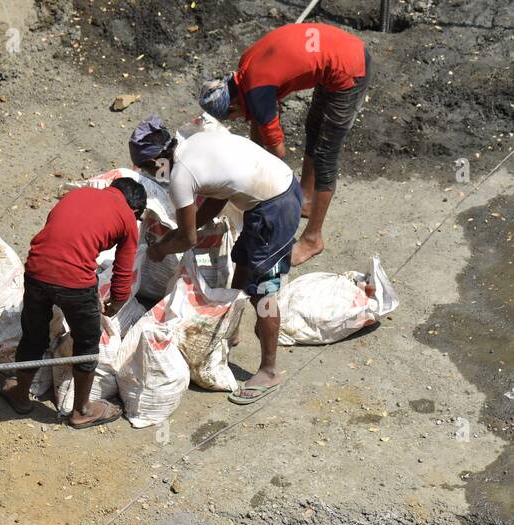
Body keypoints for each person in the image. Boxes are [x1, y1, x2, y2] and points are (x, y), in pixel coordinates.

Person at [129, 116, 300, 405]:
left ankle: (269, 370)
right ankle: (229, 329)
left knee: (263, 291)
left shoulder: (181, 176)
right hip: (275, 191)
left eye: (148, 168)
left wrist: (161, 249)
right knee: (242, 263)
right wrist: (189, 227)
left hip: (275, 206)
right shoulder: (192, 144)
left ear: (158, 160)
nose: (151, 174)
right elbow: (219, 196)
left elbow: (187, 241)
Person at [198, 22, 370, 265]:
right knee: (313, 128)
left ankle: (313, 239)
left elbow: (277, 152)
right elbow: (258, 127)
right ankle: (305, 200)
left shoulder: (258, 92)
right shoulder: (246, 70)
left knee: (325, 154)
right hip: (335, 57)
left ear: (234, 106)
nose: (239, 119)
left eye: (233, 117)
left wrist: (261, 187)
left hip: (350, 70)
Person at [0, 178, 145, 428]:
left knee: (33, 336)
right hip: (75, 282)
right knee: (87, 343)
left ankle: (21, 394)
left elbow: (57, 238)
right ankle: (82, 410)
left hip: (36, 269)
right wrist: (115, 304)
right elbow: (123, 275)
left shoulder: (78, 195)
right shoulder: (128, 218)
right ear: (135, 210)